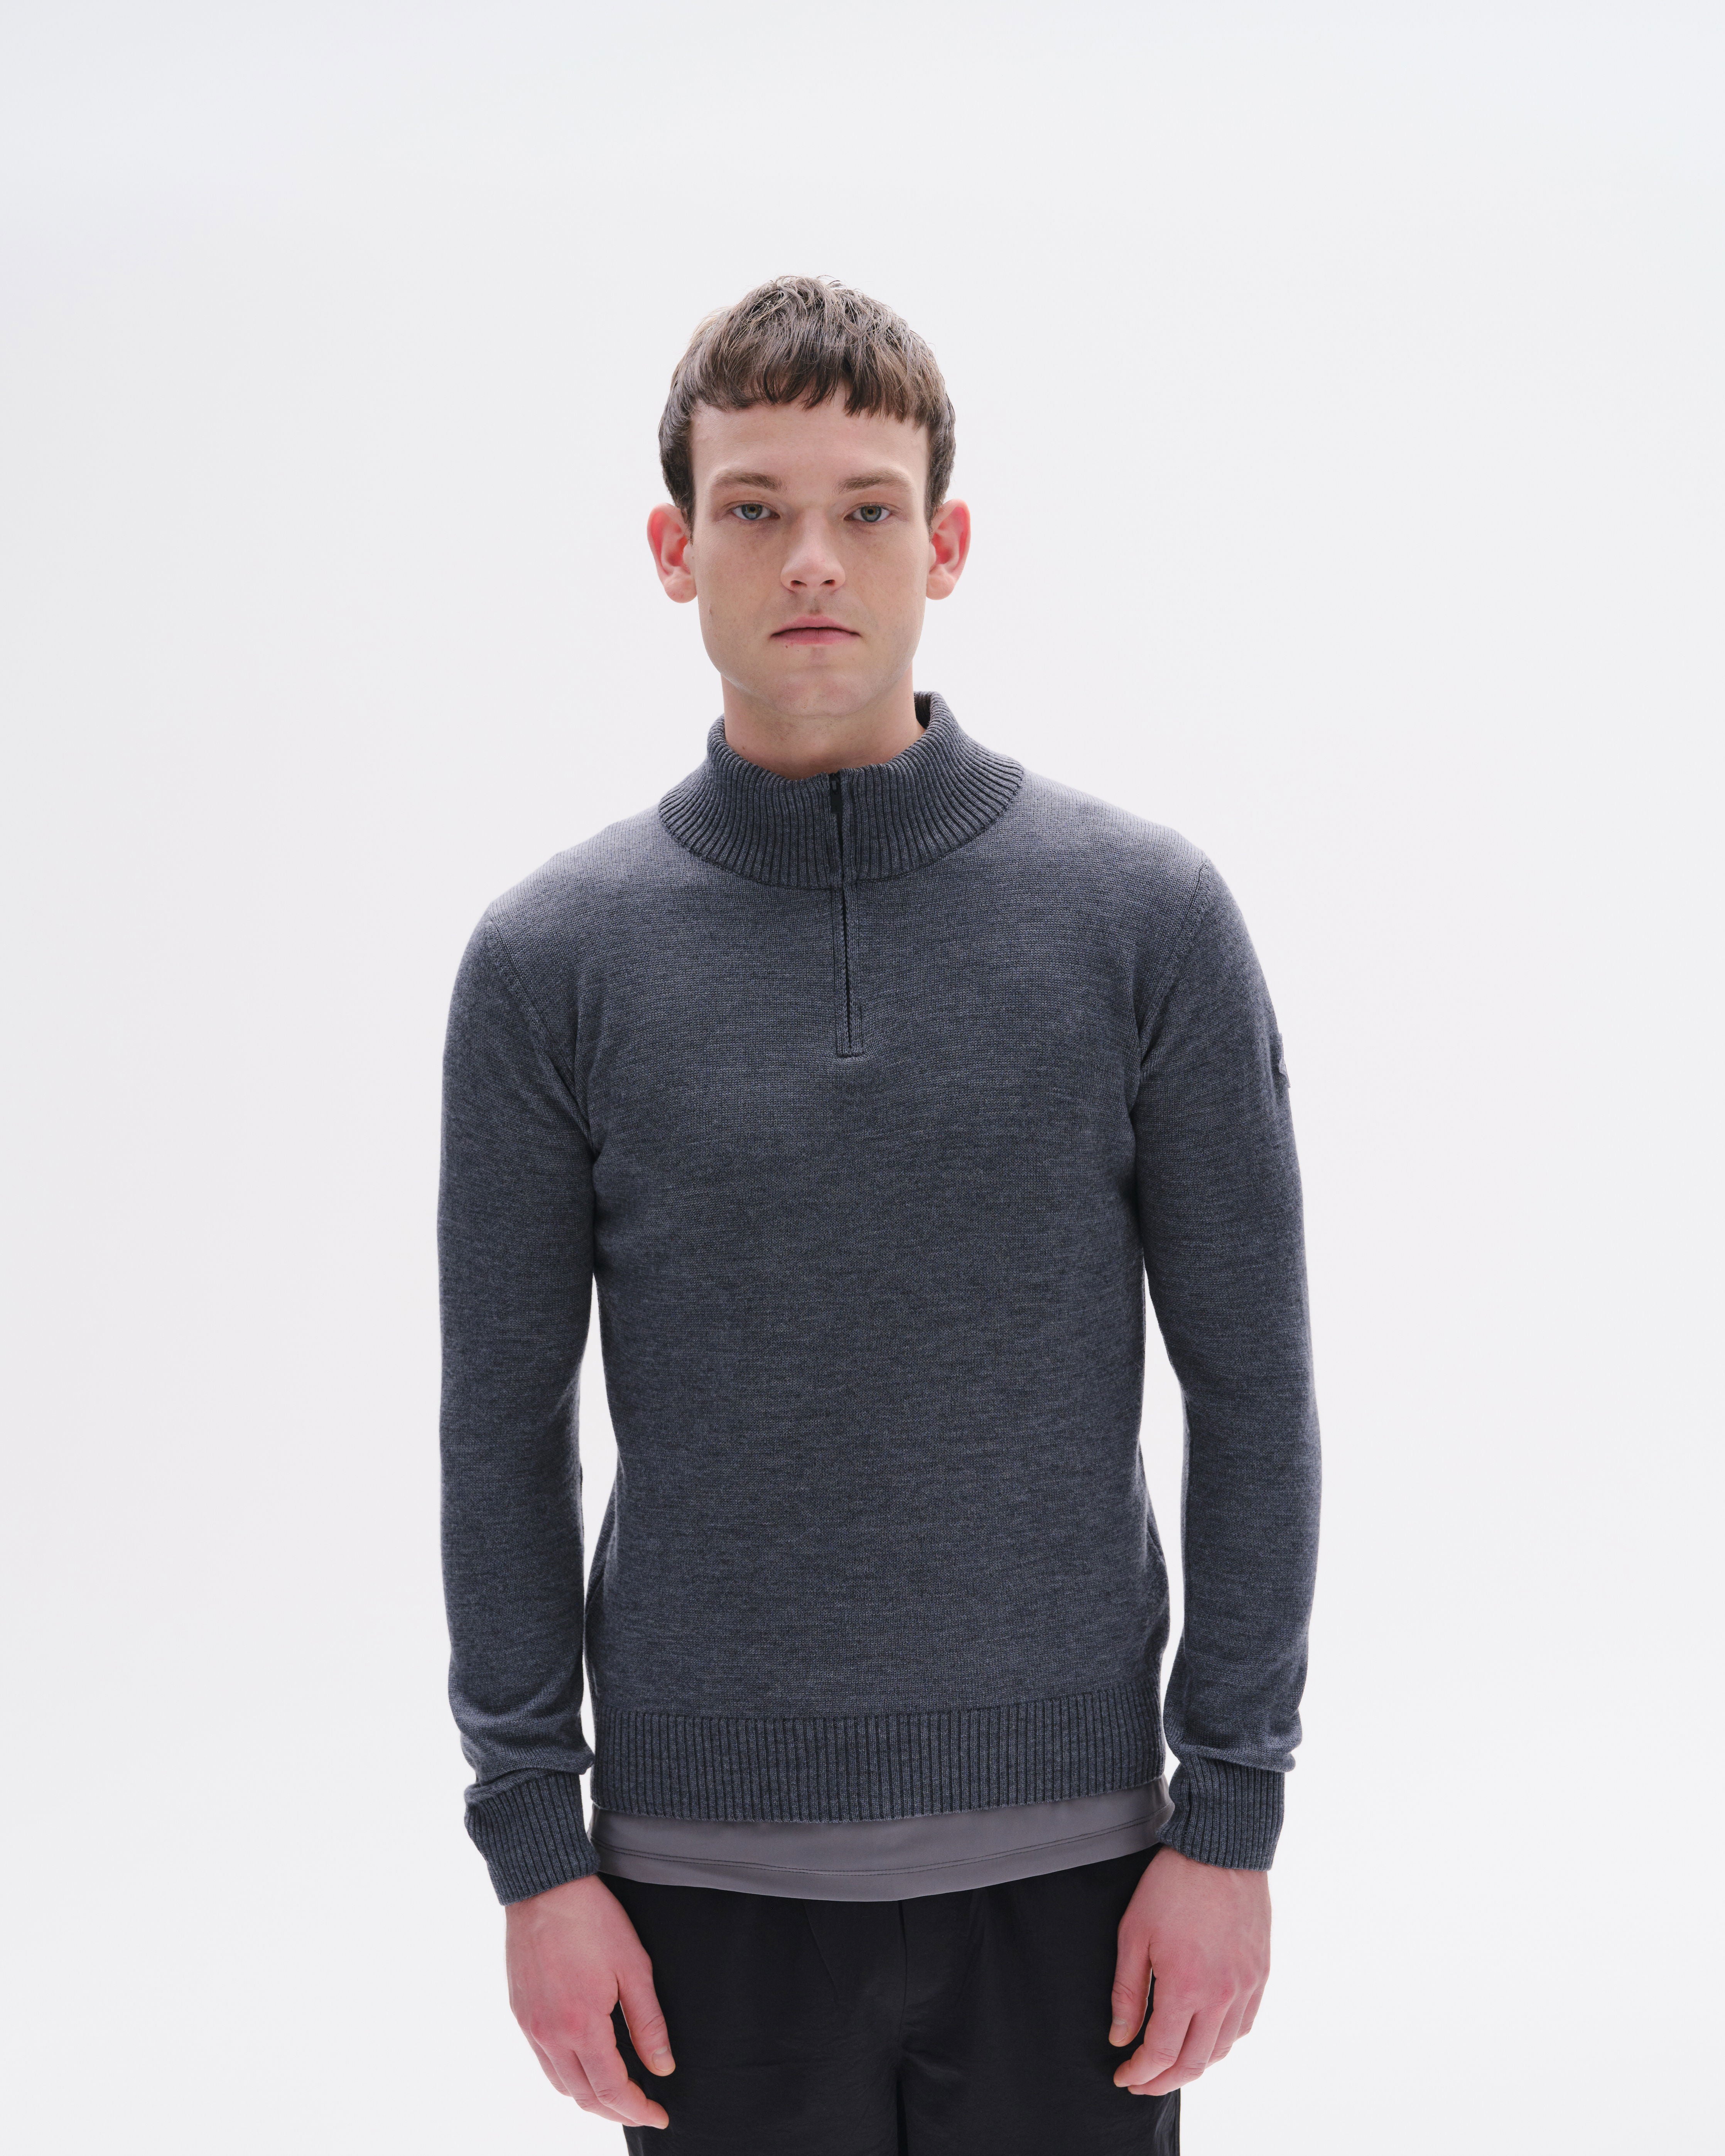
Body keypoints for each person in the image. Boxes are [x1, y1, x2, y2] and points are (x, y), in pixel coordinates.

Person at [437, 274, 1320, 2152]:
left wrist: (1228, 1819)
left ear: (947, 543)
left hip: (1086, 1883)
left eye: (866, 508)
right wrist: (535, 1854)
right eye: (753, 507)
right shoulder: (548, 964)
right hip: (692, 1898)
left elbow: (1252, 1389)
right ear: (673, 550)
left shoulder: (1144, 922)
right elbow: (500, 1430)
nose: (812, 560)